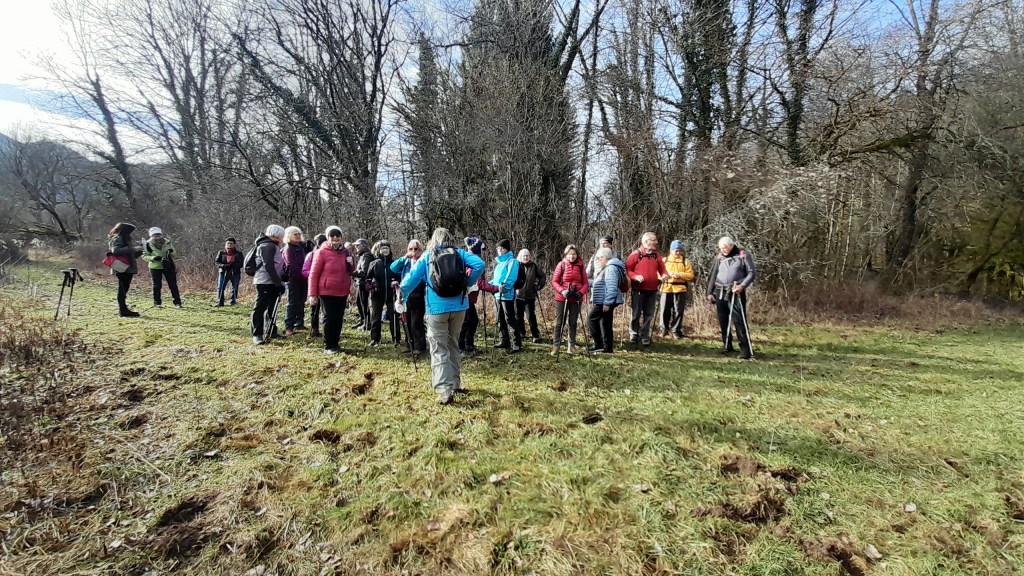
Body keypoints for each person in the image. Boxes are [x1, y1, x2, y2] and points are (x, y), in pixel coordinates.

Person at [399, 227, 486, 405]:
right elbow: (480, 265)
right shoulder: (460, 253)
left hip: (437, 309)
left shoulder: (428, 256)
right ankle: (455, 383)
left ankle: (444, 390)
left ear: (434, 239)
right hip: (460, 306)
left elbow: (411, 279)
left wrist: (402, 296)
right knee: (453, 343)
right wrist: (467, 283)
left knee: (438, 348)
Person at [706, 236, 756, 359]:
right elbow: (714, 275)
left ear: (731, 245)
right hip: (720, 291)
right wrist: (709, 292)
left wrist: (742, 286)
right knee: (723, 320)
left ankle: (745, 349)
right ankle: (727, 345)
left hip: (736, 291)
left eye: (725, 248)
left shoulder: (743, 255)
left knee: (739, 320)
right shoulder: (719, 257)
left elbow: (751, 273)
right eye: (721, 248)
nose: (723, 250)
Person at [306, 226, 354, 354]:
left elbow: (350, 271)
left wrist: (351, 263)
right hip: (327, 291)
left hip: (343, 291)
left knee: (338, 318)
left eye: (338, 235)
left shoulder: (346, 252)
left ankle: (335, 344)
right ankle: (328, 346)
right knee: (329, 318)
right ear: (328, 237)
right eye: (332, 235)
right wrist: (312, 294)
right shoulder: (321, 252)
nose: (335, 238)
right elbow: (313, 274)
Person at [458, 237, 499, 356]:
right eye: (481, 249)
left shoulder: (467, 259)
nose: (483, 252)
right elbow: (478, 282)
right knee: (468, 321)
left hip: (467, 297)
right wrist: (495, 289)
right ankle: (462, 347)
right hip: (466, 296)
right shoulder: (473, 261)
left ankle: (467, 345)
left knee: (471, 321)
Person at [625, 231, 667, 346]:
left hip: (652, 290)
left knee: (649, 315)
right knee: (636, 314)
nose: (656, 242)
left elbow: (663, 269)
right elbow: (627, 270)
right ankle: (633, 334)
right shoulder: (635, 255)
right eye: (654, 240)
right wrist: (635, 276)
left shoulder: (656, 256)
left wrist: (664, 275)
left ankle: (645, 335)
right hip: (638, 290)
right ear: (646, 241)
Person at [251, 225, 287, 345]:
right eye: (281, 236)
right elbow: (269, 266)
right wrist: (278, 283)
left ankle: (271, 330)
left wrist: (283, 276)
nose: (282, 238)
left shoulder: (274, 246)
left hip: (273, 281)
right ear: (276, 235)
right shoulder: (267, 246)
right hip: (264, 281)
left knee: (272, 307)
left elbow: (276, 265)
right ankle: (257, 334)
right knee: (260, 307)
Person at [551, 244, 589, 355]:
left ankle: (571, 346)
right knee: (560, 322)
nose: (572, 256)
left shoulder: (581, 265)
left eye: (574, 254)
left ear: (577, 254)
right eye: (570, 254)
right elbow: (554, 281)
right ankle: (556, 346)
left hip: (576, 298)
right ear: (566, 254)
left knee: (573, 322)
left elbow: (586, 283)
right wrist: (562, 291)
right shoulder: (561, 264)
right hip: (562, 298)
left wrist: (580, 293)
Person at [391, 239, 427, 356]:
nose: (413, 251)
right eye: (411, 249)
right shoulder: (406, 262)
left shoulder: (424, 261)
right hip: (406, 294)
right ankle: (409, 344)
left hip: (419, 294)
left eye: (416, 249)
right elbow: (393, 268)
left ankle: (419, 346)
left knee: (416, 322)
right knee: (406, 319)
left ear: (421, 250)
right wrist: (405, 257)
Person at [587, 248, 626, 354]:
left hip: (604, 301)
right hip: (604, 300)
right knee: (605, 322)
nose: (598, 260)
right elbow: (599, 282)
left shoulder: (610, 268)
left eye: (599, 258)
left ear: (605, 257)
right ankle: (607, 347)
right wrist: (585, 282)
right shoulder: (608, 267)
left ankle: (598, 344)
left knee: (591, 318)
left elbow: (612, 286)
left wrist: (607, 303)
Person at [367, 240, 401, 347]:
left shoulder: (394, 264)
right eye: (383, 248)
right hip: (377, 293)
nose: (385, 250)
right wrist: (370, 284)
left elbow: (399, 277)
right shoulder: (374, 263)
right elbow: (368, 278)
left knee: (393, 316)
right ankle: (375, 339)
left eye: (387, 248)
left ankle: (396, 339)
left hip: (391, 293)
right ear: (379, 250)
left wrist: (397, 282)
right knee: (376, 316)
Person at [491, 239, 522, 352]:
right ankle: (504, 340)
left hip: (506, 294)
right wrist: (488, 286)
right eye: (498, 248)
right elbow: (496, 280)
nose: (499, 250)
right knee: (499, 318)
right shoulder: (499, 263)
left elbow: (511, 277)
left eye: (502, 248)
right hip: (497, 294)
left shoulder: (512, 261)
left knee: (509, 318)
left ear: (506, 249)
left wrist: (504, 288)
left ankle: (516, 342)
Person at [660, 240, 696, 338]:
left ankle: (675, 330)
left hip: (680, 289)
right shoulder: (664, 260)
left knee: (678, 311)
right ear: (671, 250)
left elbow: (691, 275)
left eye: (680, 250)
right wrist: (666, 275)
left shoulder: (685, 261)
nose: (678, 252)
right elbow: (658, 274)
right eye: (676, 250)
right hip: (666, 288)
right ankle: (664, 330)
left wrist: (680, 275)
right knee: (664, 310)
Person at [107, 222, 144, 317]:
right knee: (122, 289)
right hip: (122, 267)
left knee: (124, 288)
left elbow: (131, 255)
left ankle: (124, 309)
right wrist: (134, 249)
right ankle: (123, 310)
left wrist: (140, 250)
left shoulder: (125, 239)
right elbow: (116, 251)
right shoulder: (118, 238)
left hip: (127, 266)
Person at [141, 227, 182, 308]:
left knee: (173, 284)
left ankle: (177, 302)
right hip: (155, 266)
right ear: (151, 236)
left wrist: (170, 252)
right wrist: (153, 258)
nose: (158, 237)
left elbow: (174, 254)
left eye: (159, 235)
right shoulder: (147, 243)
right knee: (157, 285)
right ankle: (157, 302)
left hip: (168, 265)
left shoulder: (167, 242)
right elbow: (144, 256)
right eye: (155, 235)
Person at [514, 249, 545, 344]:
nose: (526, 257)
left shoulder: (534, 266)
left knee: (531, 316)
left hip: (530, 296)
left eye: (527, 255)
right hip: (517, 295)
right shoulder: (516, 265)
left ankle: (535, 335)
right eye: (524, 256)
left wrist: (538, 286)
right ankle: (521, 333)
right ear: (520, 256)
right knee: (518, 316)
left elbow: (542, 276)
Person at [281, 226, 308, 336]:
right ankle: (289, 327)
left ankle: (299, 323)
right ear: (289, 236)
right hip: (293, 279)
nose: (297, 236)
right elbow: (291, 265)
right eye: (295, 234)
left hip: (303, 279)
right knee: (292, 303)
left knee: (302, 301)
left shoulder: (301, 247)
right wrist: (301, 275)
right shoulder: (288, 249)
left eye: (298, 234)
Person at [302, 234, 328, 337]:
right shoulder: (311, 255)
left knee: (324, 308)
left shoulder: (328, 253)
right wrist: (315, 274)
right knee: (315, 308)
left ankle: (324, 329)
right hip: (315, 283)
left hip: (325, 284)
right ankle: (314, 329)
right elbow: (305, 270)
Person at [215, 237, 243, 306]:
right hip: (223, 272)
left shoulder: (239, 254)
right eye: (228, 243)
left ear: (234, 244)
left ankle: (233, 301)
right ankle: (220, 302)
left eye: (231, 243)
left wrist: (234, 265)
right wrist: (223, 266)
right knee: (221, 287)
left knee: (234, 287)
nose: (229, 245)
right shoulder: (221, 253)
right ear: (225, 244)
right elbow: (217, 262)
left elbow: (241, 263)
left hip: (235, 272)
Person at [352, 239, 373, 330]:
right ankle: (363, 320)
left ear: (364, 246)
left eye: (358, 245)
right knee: (359, 302)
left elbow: (364, 272)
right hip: (360, 282)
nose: (356, 247)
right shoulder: (362, 256)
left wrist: (352, 273)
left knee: (364, 303)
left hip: (364, 283)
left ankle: (367, 323)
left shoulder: (366, 256)